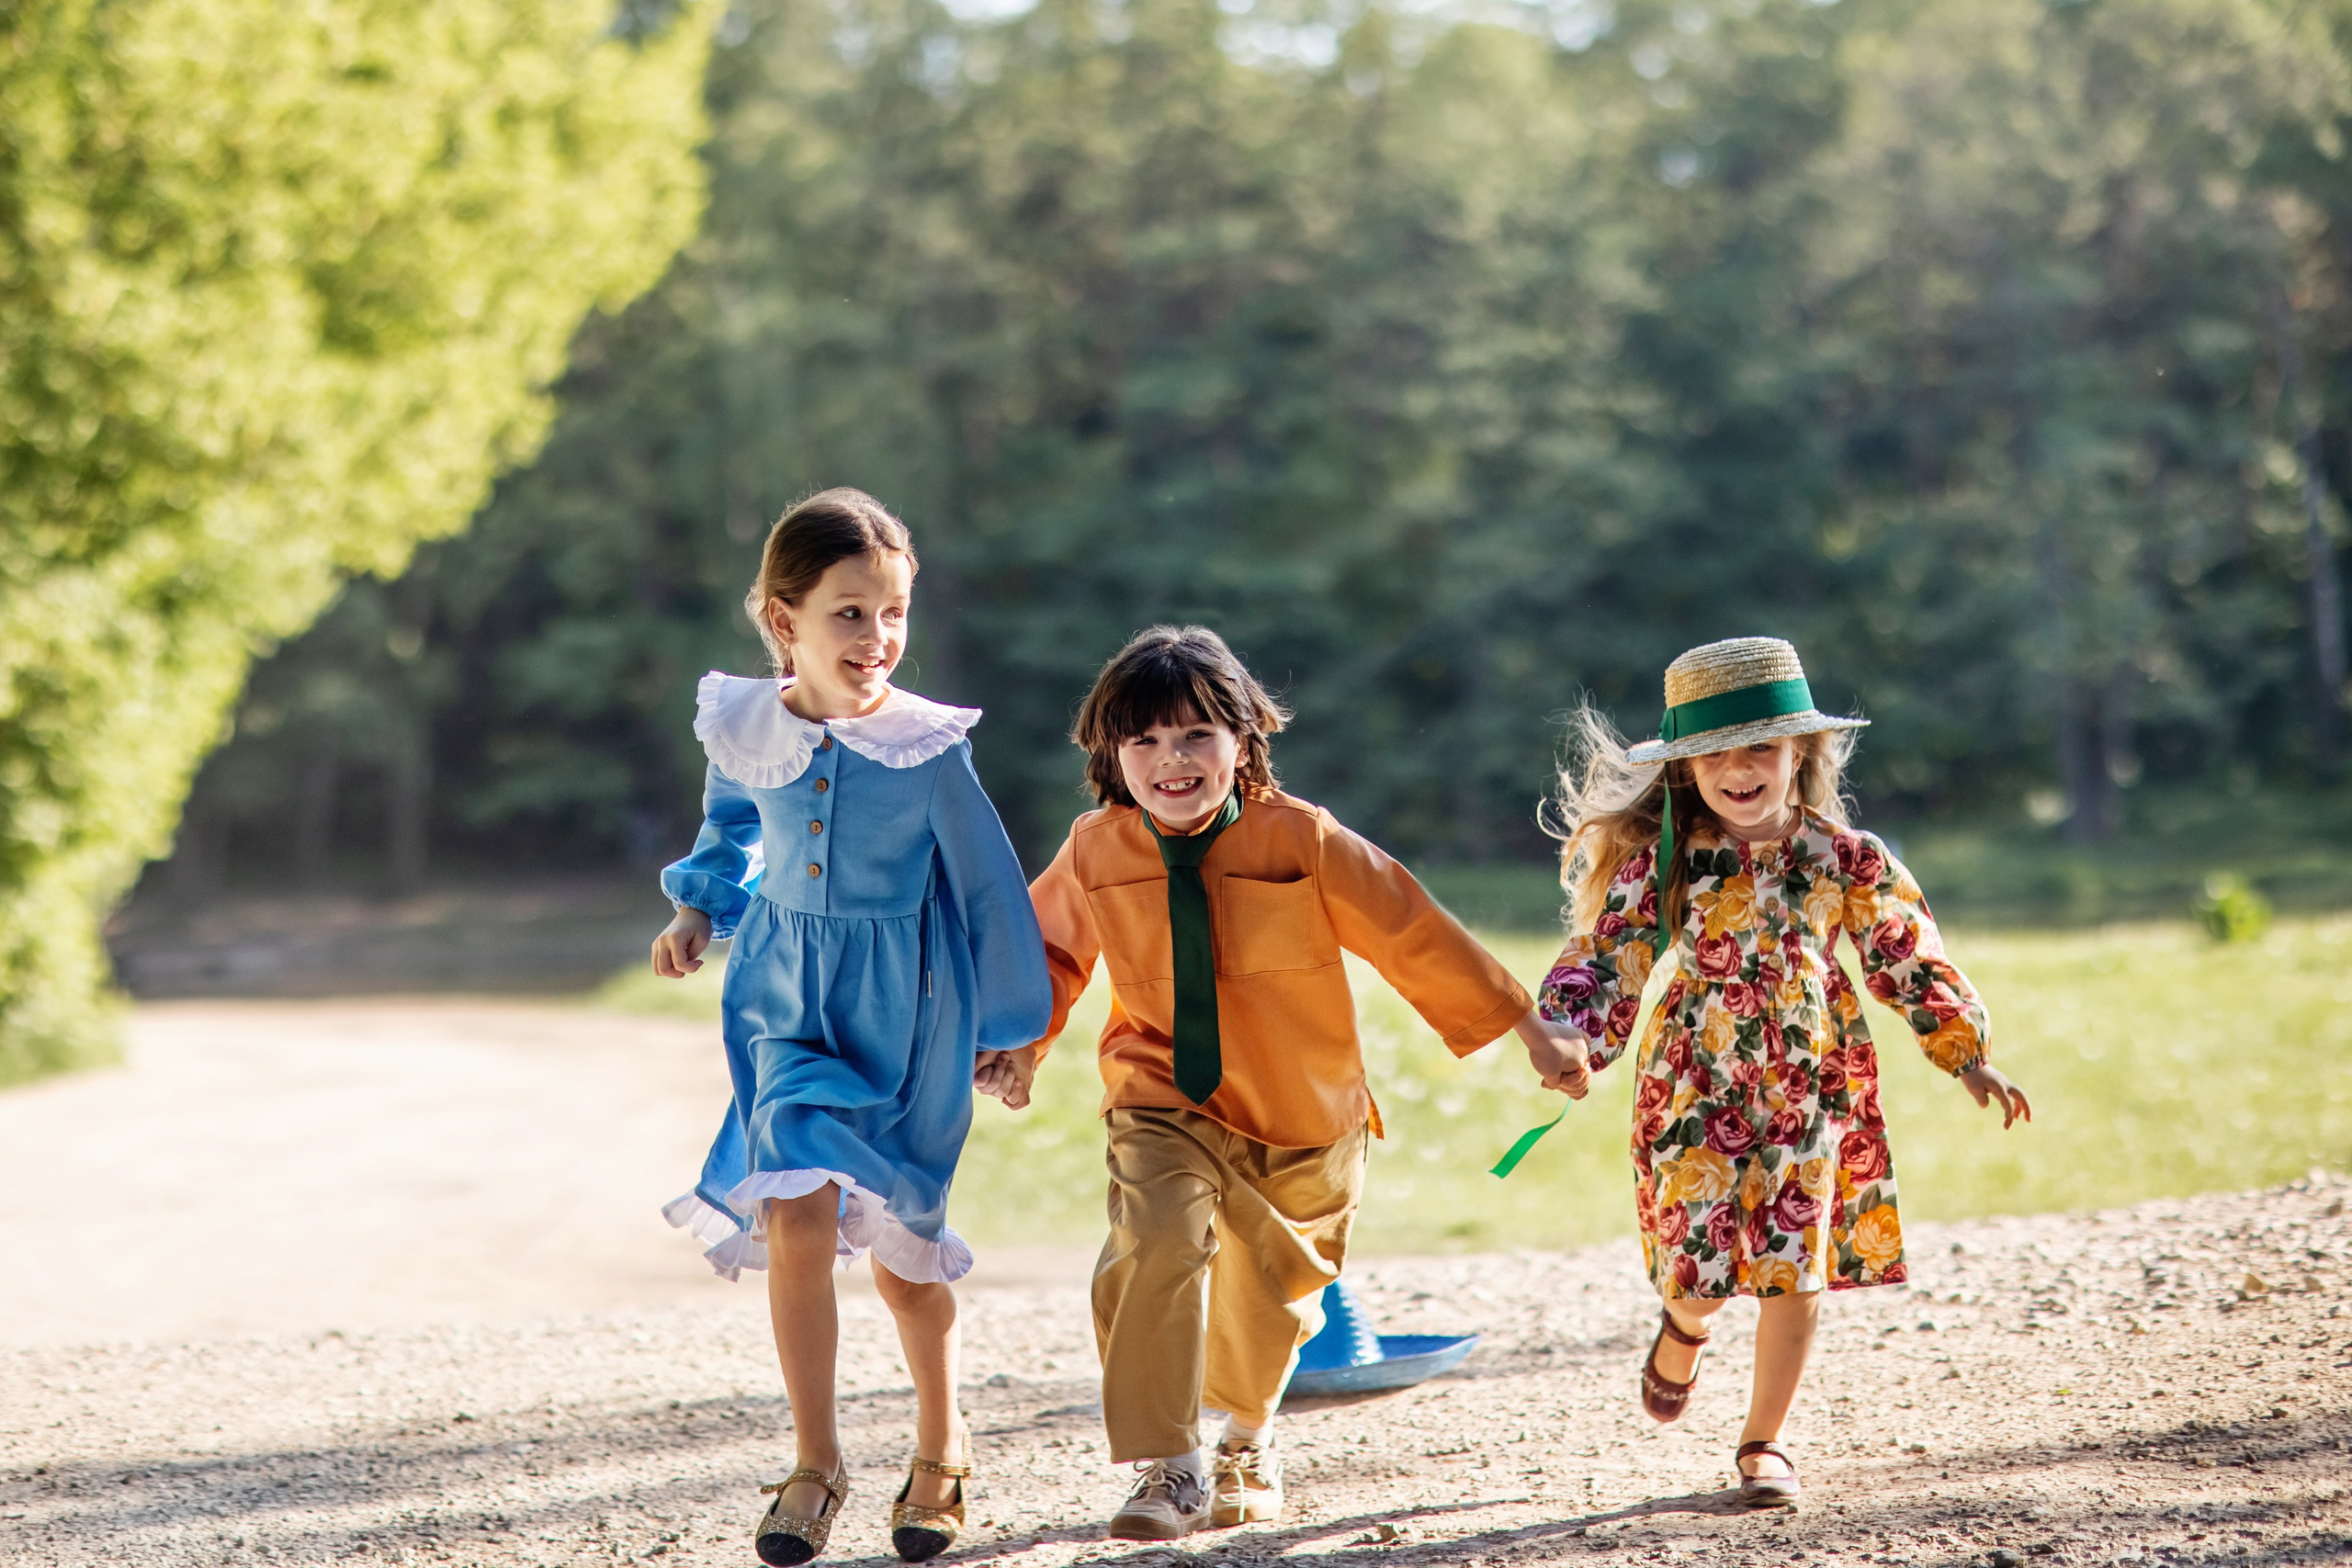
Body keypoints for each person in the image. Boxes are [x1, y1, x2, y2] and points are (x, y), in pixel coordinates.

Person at [979, 625, 1587, 1541]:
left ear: (1243, 737)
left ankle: (1245, 1443)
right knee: (1155, 1239)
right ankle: (1169, 1465)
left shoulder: (1300, 839)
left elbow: (1410, 930)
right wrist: (1022, 1041)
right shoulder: (1097, 847)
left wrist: (1529, 1030)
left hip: (1304, 1115)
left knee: (1271, 1301)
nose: (1168, 761)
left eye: (1193, 736)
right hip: (1161, 1095)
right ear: (1110, 752)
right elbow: (1049, 952)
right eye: (1141, 741)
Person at [649, 489, 1051, 1566]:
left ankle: (941, 1444)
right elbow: (731, 828)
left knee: (906, 1269)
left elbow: (987, 891)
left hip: (909, 1016)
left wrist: (1013, 1028)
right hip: (783, 1001)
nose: (876, 639)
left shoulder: (929, 751)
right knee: (795, 1218)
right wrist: (697, 909)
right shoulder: (743, 725)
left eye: (892, 613)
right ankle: (815, 1464)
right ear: (784, 621)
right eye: (849, 614)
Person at [1534, 636, 2030, 1507]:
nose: (1739, 767)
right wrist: (1573, 1034)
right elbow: (1606, 955)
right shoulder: (1669, 859)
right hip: (1694, 1083)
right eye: (1715, 752)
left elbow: (1906, 952)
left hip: (1812, 1088)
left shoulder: (1846, 857)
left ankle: (1764, 1441)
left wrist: (1968, 1055)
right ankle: (1683, 1327)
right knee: (1699, 1266)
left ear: (1801, 751)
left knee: (1794, 1267)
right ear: (1687, 769)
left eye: (1759, 745)